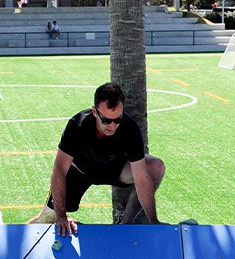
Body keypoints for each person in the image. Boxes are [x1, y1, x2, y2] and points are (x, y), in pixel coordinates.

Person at [29, 82, 166, 237]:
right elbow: (59, 169)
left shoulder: (129, 128)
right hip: (79, 171)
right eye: (106, 120)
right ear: (95, 112)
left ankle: (123, 226)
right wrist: (61, 216)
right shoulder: (78, 125)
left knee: (155, 167)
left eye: (117, 120)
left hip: (114, 169)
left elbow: (141, 177)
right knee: (46, 220)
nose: (112, 126)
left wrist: (154, 221)